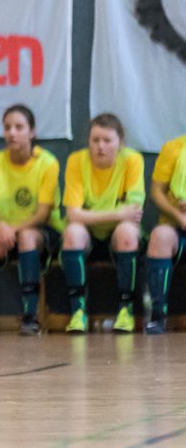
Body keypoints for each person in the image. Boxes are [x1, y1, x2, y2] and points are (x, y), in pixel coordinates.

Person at [0, 105, 62, 336]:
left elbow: (42, 214)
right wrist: (1, 227)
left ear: (31, 132)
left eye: (19, 127)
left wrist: (10, 231)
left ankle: (30, 317)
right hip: (5, 231)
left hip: (42, 232)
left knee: (28, 237)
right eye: (7, 127)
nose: (12, 133)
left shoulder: (48, 163)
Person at [60, 113, 145, 333]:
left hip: (118, 236)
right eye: (95, 140)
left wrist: (116, 218)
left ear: (120, 142)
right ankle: (78, 312)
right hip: (88, 234)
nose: (100, 146)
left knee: (127, 231)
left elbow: (133, 213)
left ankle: (125, 310)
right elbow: (73, 215)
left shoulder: (132, 160)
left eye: (107, 140)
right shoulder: (76, 161)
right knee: (72, 233)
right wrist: (117, 214)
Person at [146, 131, 186, 334]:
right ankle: (158, 315)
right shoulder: (174, 148)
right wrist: (179, 216)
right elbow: (156, 191)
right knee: (159, 236)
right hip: (176, 225)